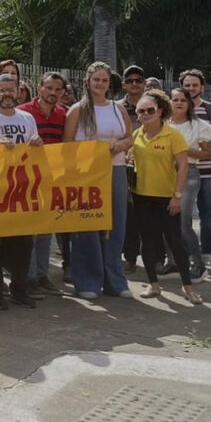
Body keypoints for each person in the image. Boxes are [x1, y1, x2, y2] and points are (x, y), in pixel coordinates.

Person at [63, 62, 134, 301]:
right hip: (86, 175)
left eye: (104, 80)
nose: (101, 84)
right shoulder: (77, 110)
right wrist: (89, 153)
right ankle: (87, 280)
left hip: (115, 170)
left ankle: (114, 280)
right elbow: (68, 143)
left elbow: (129, 136)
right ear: (88, 82)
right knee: (87, 226)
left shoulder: (118, 108)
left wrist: (121, 145)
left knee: (116, 225)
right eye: (96, 80)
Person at [0, 74, 42, 310]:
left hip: (22, 190)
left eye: (10, 90)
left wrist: (37, 142)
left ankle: (19, 289)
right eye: (2, 90)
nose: (6, 94)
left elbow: (36, 149)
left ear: (19, 91)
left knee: (23, 243)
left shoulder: (27, 118)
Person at [130, 89, 201, 304]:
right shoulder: (135, 135)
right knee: (147, 244)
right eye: (141, 111)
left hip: (166, 198)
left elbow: (183, 167)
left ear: (160, 111)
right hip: (141, 197)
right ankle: (153, 286)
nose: (145, 114)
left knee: (175, 243)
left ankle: (187, 287)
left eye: (150, 110)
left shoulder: (173, 135)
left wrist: (177, 196)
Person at [19, 72, 69, 297]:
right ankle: (28, 278)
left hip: (52, 179)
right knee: (29, 230)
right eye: (49, 88)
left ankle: (42, 275)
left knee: (46, 230)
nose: (53, 93)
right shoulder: (24, 113)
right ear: (39, 88)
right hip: (29, 178)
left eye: (57, 90)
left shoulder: (64, 114)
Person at [180, 69, 211, 268]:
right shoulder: (175, 108)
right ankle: (189, 252)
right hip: (184, 172)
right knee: (184, 216)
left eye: (195, 85)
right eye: (187, 85)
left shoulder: (210, 109)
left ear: (202, 87)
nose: (191, 88)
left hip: (207, 171)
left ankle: (207, 252)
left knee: (207, 214)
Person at [169, 87, 211, 283]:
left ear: (189, 103)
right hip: (164, 176)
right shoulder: (163, 125)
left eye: (183, 99)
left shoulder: (200, 125)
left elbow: (208, 153)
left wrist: (184, 151)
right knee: (167, 222)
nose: (179, 102)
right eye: (175, 99)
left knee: (183, 224)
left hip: (189, 174)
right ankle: (172, 262)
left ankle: (199, 265)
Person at [120, 65, 147, 274]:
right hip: (126, 165)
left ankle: (156, 257)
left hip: (152, 164)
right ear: (124, 84)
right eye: (130, 80)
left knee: (151, 212)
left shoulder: (154, 105)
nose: (135, 84)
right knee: (129, 214)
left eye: (138, 80)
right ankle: (130, 257)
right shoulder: (118, 107)